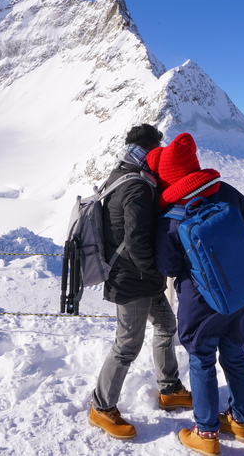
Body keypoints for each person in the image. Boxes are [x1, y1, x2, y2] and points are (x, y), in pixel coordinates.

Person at [147, 132, 244, 455]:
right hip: (241, 289)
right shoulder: (228, 192)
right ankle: (240, 422)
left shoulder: (172, 216)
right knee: (235, 354)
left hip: (200, 300)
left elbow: (168, 266)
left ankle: (207, 433)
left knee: (202, 359)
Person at [88, 123, 192, 440]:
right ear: (149, 150)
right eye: (156, 151)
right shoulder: (138, 185)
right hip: (133, 280)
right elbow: (136, 240)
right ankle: (101, 407)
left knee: (166, 325)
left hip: (139, 277)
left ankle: (169, 389)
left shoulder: (121, 175)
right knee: (127, 346)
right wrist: (158, 268)